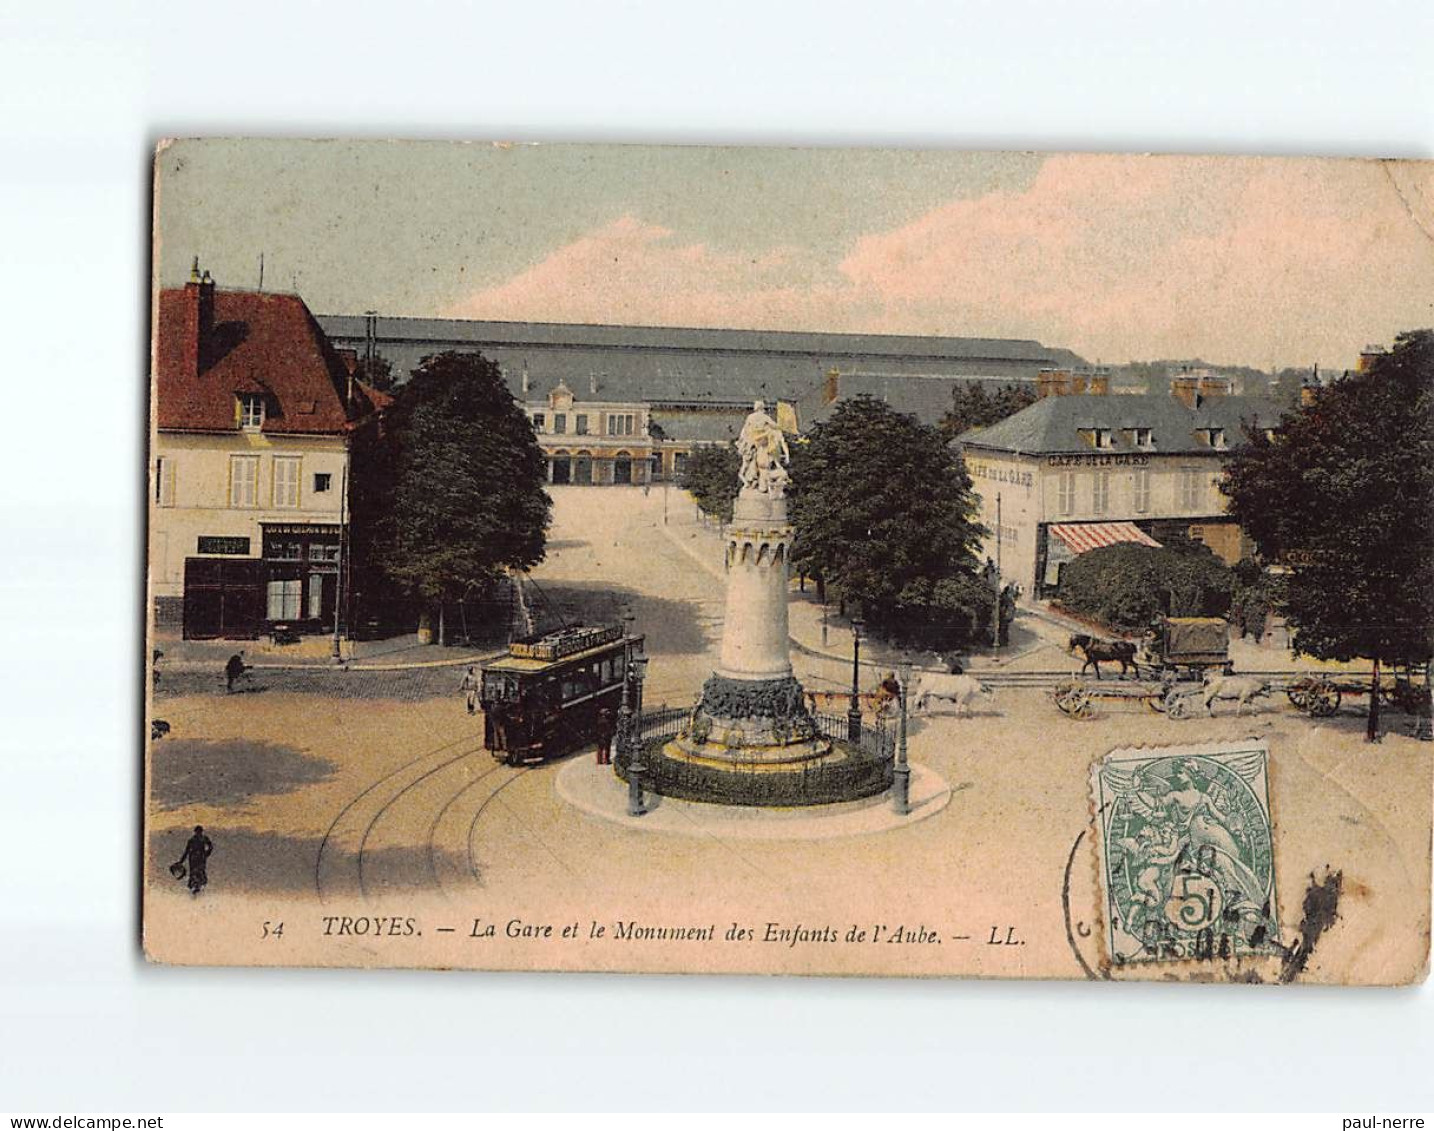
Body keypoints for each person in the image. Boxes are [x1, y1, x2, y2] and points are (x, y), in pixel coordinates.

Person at [174, 825, 213, 897]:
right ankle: (195, 889)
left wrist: (206, 854)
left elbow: (210, 847)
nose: (198, 833)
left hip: (199, 859)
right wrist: (181, 861)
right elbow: (187, 851)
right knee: (194, 873)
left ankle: (198, 888)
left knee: (200, 872)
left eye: (199, 832)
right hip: (194, 859)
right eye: (197, 832)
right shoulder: (192, 840)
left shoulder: (203, 839)